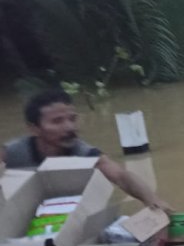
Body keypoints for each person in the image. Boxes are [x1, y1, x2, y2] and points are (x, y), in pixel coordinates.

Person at [0, 89, 172, 212]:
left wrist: (153, 201)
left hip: (69, 214)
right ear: (34, 129)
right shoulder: (13, 152)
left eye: (72, 119)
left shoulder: (83, 152)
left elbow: (120, 176)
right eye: (57, 121)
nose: (70, 127)